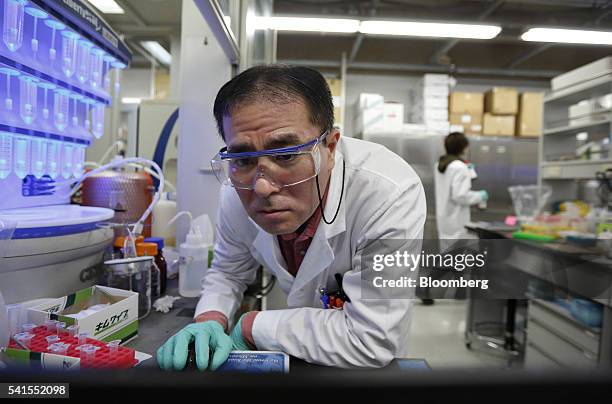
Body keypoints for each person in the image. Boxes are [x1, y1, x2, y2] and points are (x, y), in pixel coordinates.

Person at [157, 65, 426, 370]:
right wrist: (209, 320)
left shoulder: (387, 192)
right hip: (298, 351)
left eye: (285, 155)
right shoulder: (236, 190)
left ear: (330, 147)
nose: (261, 186)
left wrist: (251, 326)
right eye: (243, 158)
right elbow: (228, 272)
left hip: (366, 373)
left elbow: (371, 339)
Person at [434, 132, 488, 240]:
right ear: (462, 147)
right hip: (456, 220)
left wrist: (465, 169)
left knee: (447, 253)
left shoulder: (440, 164)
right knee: (458, 253)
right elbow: (460, 196)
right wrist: (480, 196)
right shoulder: (460, 167)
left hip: (444, 219)